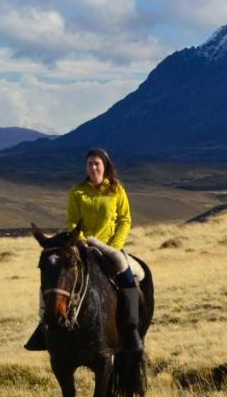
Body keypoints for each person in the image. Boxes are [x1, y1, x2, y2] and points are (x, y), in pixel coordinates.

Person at [24, 148, 143, 352]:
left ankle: (131, 329)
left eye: (97, 163)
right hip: (81, 245)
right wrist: (80, 242)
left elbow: (125, 220)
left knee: (127, 273)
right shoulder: (77, 192)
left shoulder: (117, 190)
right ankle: (44, 326)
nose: (93, 167)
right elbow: (72, 222)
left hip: (109, 245)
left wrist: (113, 246)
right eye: (89, 164)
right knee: (54, 276)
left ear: (105, 166)